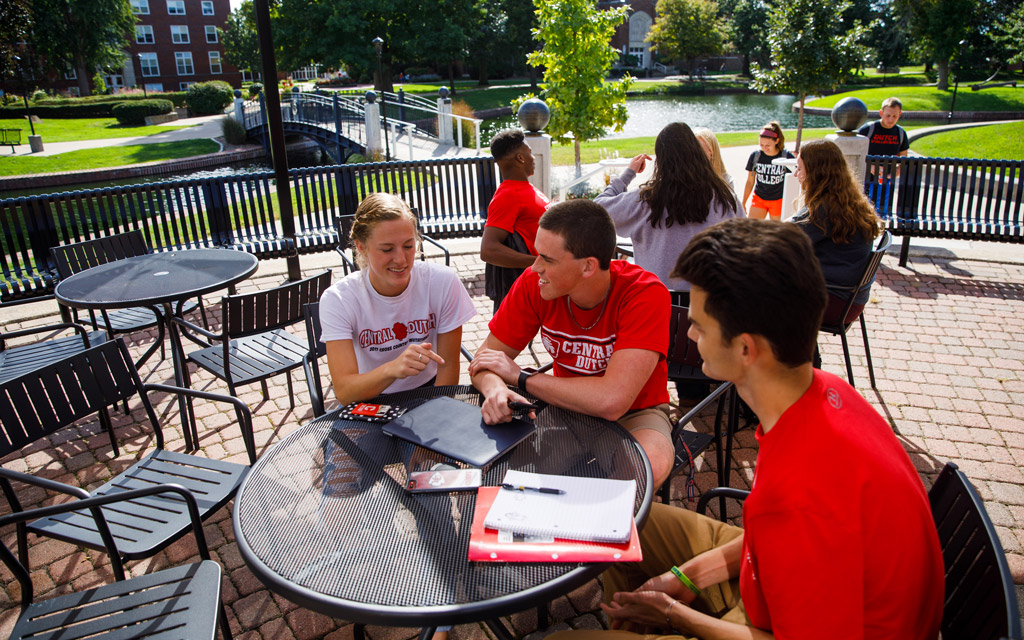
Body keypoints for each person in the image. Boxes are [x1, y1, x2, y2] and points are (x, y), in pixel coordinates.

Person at [547, 218, 944, 640]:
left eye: (700, 323)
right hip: (776, 578)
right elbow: (766, 538)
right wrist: (682, 579)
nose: (690, 331)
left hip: (796, 625)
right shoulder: (823, 393)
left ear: (745, 348)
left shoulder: (797, 496)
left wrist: (672, 615)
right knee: (617, 521)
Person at [468, 199, 675, 488]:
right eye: (536, 254)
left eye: (547, 259)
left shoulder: (643, 293)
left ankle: (596, 532)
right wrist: (496, 389)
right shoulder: (535, 284)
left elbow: (612, 401)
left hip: (636, 414)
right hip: (566, 409)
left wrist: (520, 377)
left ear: (588, 266)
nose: (535, 266)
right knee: (495, 470)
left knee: (645, 469)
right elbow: (483, 361)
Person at [320, 192, 477, 405]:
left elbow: (447, 366)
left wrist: (439, 415)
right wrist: (393, 369)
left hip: (429, 392)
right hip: (369, 397)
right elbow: (346, 392)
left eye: (408, 246)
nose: (401, 259)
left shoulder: (442, 282)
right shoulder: (339, 298)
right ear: (361, 247)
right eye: (387, 249)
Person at [594, 122, 743, 294]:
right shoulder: (724, 198)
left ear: (661, 160)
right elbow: (742, 246)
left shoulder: (645, 201)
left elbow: (597, 210)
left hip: (655, 301)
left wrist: (628, 174)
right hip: (708, 303)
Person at [791, 139, 883, 325]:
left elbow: (783, 238)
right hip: (849, 298)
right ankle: (802, 352)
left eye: (799, 169)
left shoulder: (824, 210)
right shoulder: (844, 199)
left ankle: (799, 353)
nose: (795, 174)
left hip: (833, 301)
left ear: (817, 173)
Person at [481, 128, 550, 312]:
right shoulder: (508, 195)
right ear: (520, 158)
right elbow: (488, 250)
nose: (533, 157)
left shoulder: (525, 188)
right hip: (532, 284)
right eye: (530, 152)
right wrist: (538, 263)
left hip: (548, 280)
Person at [857, 97, 909, 212]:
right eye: (888, 115)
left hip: (886, 180)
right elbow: (857, 153)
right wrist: (871, 166)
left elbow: (903, 157)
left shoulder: (900, 133)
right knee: (865, 209)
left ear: (900, 114)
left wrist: (898, 169)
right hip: (866, 179)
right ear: (881, 113)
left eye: (895, 116)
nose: (891, 119)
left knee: (882, 210)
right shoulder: (868, 129)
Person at [742, 121, 794, 220]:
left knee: (775, 233)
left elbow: (796, 179)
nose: (764, 148)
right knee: (751, 230)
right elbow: (750, 181)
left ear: (777, 141)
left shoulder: (786, 157)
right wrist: (743, 202)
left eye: (768, 145)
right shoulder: (756, 156)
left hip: (778, 200)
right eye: (761, 145)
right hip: (759, 199)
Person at [692, 127, 737, 195]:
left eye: (701, 150)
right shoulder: (688, 179)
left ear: (712, 151)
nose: (696, 154)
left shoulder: (726, 181)